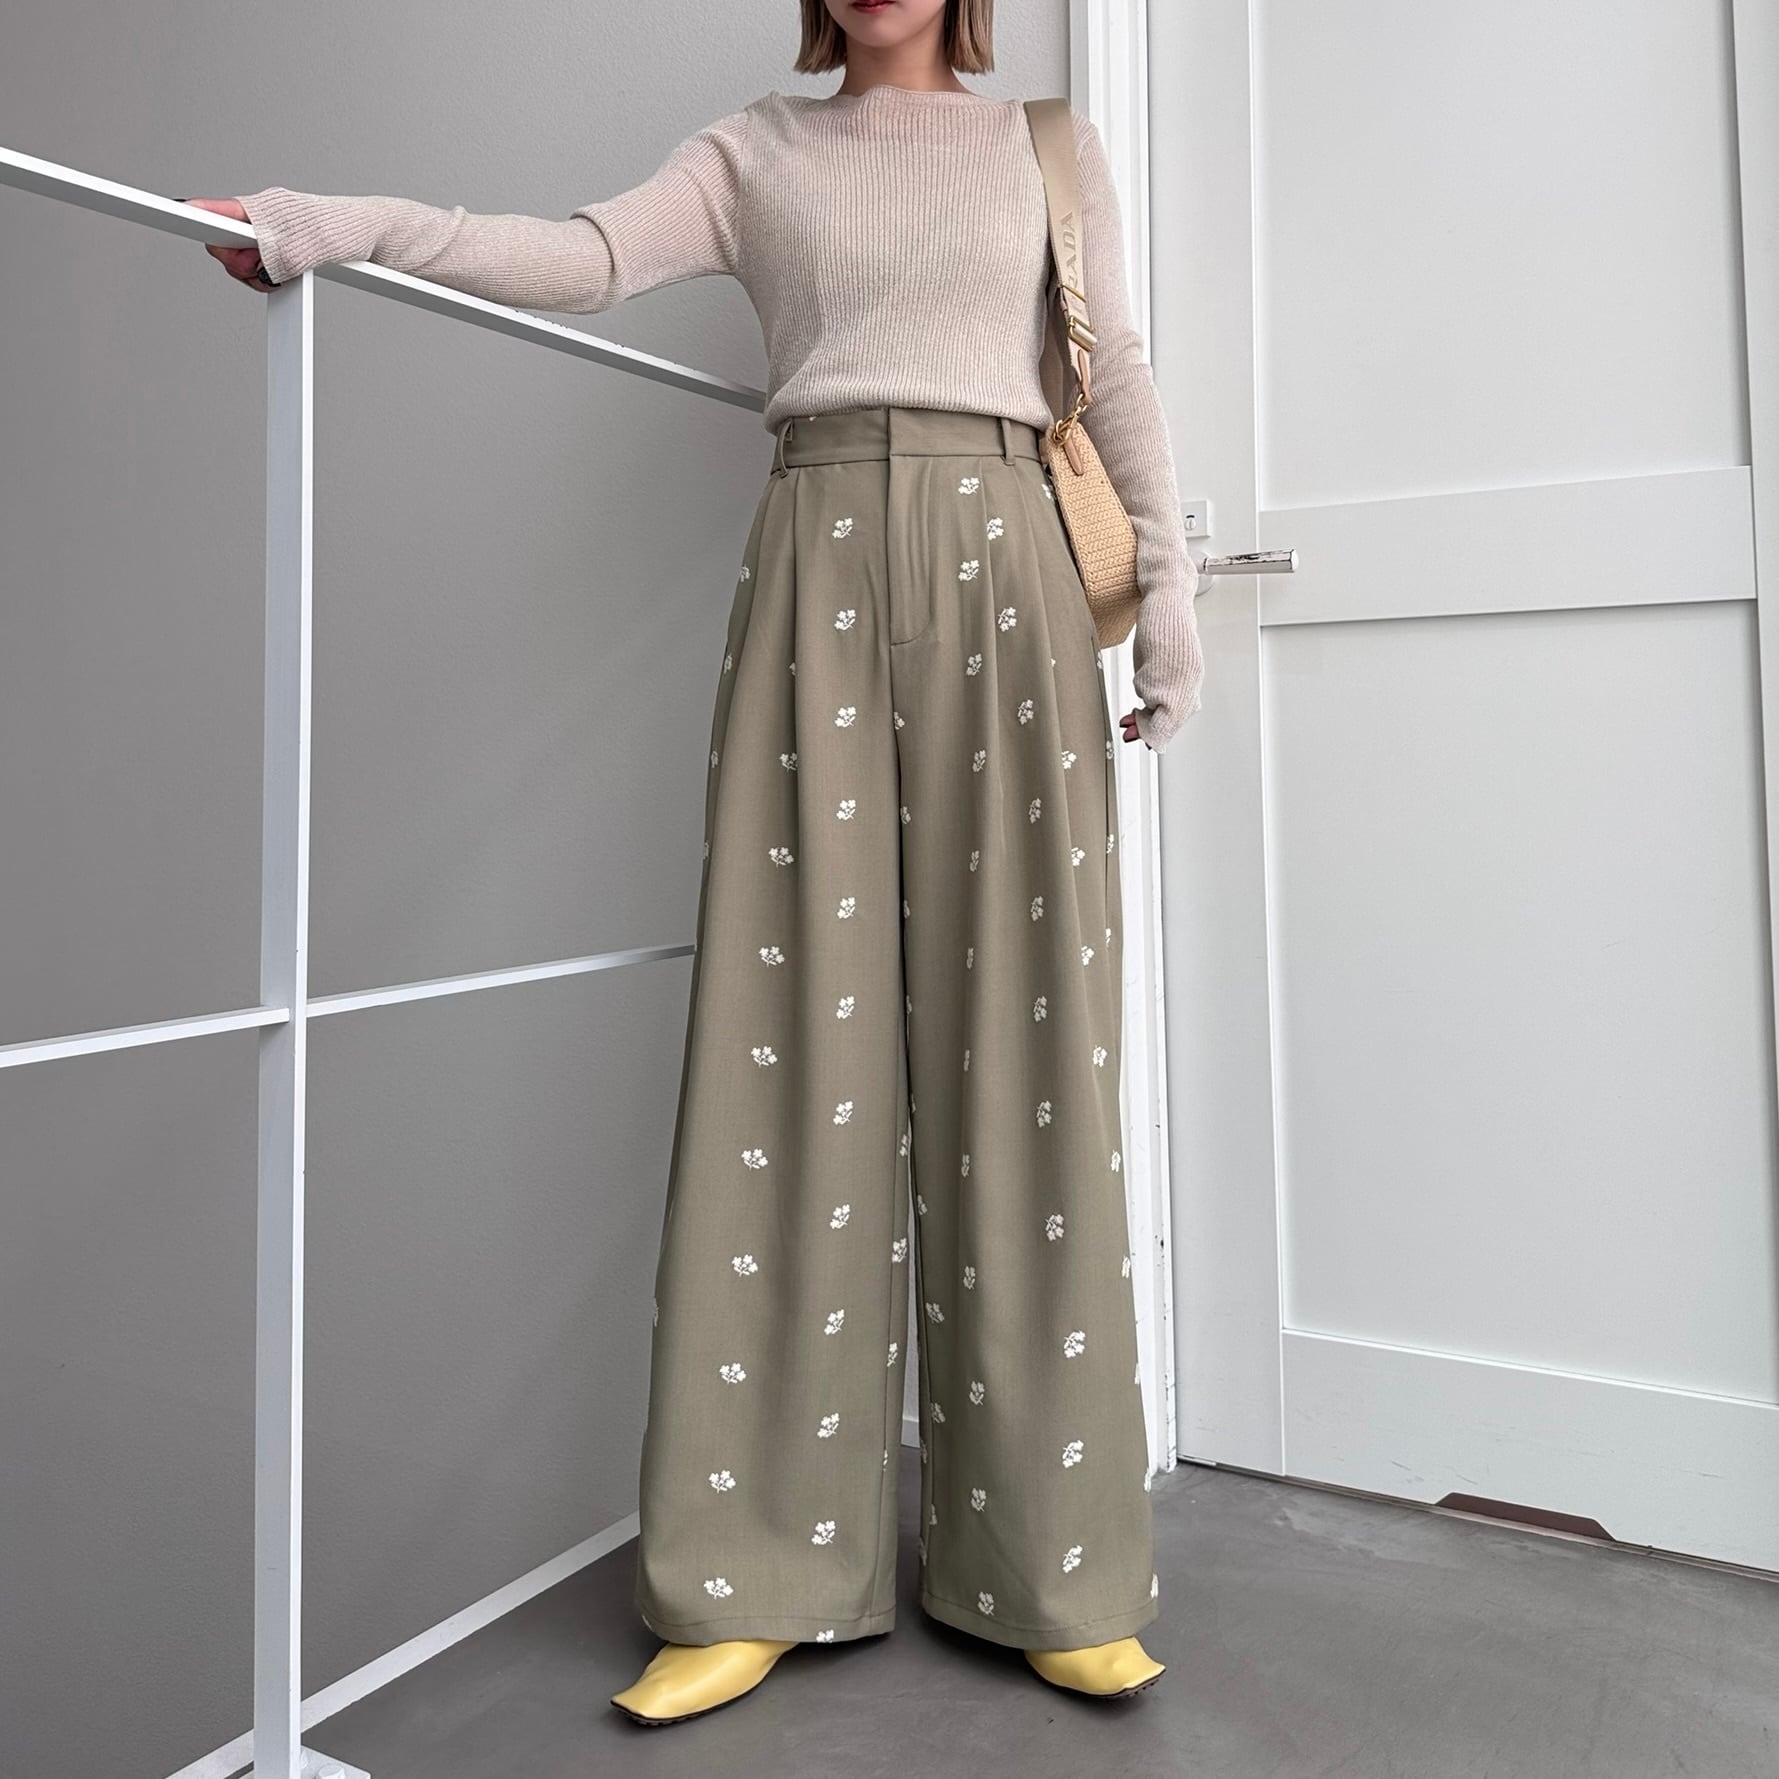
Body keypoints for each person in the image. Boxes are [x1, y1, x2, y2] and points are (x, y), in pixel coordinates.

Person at [188, 0, 1204, 1729]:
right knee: (783, 1051)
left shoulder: (1047, 147)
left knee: (1030, 1051)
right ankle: (752, 1569)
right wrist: (343, 226)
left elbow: (1111, 380)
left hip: (1014, 574)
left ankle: (1057, 1564)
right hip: (816, 558)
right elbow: (583, 258)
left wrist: (1169, 591)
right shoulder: (759, 150)